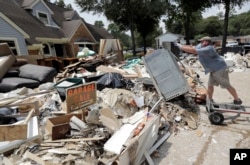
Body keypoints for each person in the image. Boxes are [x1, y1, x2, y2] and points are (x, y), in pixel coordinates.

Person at [176, 36, 242, 105]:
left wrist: (180, 47)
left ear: (206, 42)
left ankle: (237, 100)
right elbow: (193, 47)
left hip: (219, 68)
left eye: (202, 41)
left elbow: (194, 51)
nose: (200, 43)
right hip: (213, 69)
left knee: (226, 85)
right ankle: (209, 101)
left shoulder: (208, 49)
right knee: (210, 85)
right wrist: (180, 45)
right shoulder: (202, 46)